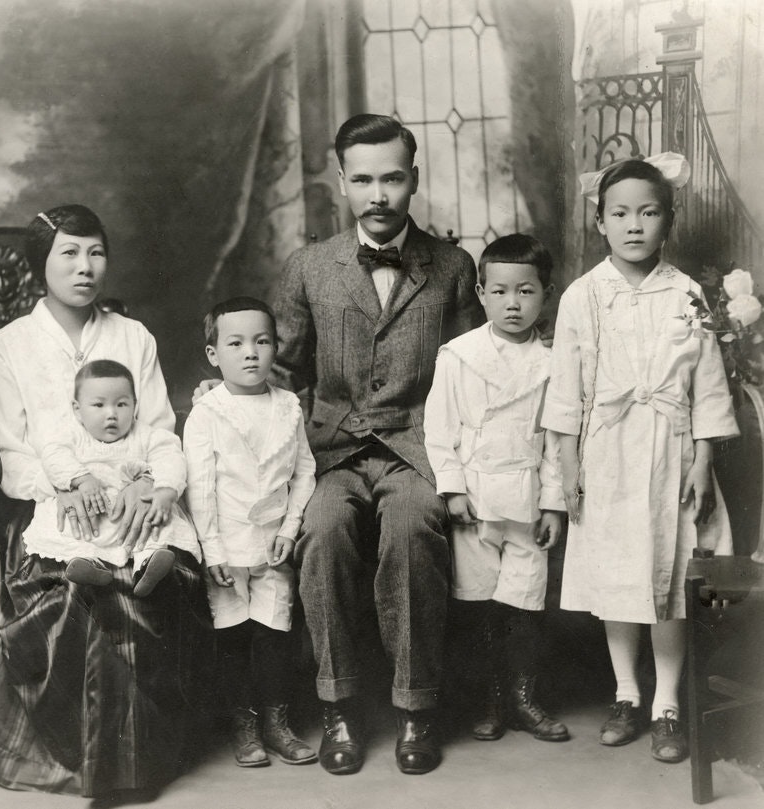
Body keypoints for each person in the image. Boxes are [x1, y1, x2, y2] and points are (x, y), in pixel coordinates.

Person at [272, 113, 483, 775]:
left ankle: (415, 706)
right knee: (324, 529)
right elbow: (282, 373)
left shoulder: (450, 266)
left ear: (412, 178)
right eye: (362, 179)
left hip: (417, 445)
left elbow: (473, 366)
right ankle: (337, 704)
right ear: (341, 182)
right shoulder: (307, 267)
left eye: (391, 177)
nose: (378, 194)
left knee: (413, 527)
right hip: (332, 447)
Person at [0, 204, 212, 803]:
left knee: (159, 580)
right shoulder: (11, 345)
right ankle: (90, 763)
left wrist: (150, 486)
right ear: (41, 264)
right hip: (52, 509)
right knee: (77, 593)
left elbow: (160, 427)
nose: (85, 267)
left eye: (96, 253)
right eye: (69, 253)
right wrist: (65, 488)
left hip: (137, 501)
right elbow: (11, 449)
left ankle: (139, 761)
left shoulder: (132, 336)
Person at [542, 154, 738, 764]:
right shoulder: (584, 296)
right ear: (600, 223)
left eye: (648, 213)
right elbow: (566, 388)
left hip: (673, 453)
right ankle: (627, 693)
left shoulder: (686, 293)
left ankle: (668, 704)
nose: (634, 226)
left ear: (668, 221)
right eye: (620, 213)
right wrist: (569, 468)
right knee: (620, 576)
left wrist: (703, 460)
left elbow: (708, 384)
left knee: (672, 579)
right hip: (609, 456)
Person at [423, 233, 569, 744]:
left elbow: (556, 444)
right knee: (481, 604)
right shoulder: (459, 356)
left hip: (527, 499)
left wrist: (554, 504)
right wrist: (453, 488)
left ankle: (524, 698)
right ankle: (486, 700)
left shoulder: (554, 365)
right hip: (477, 501)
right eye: (501, 291)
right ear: (481, 293)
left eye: (526, 292)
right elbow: (439, 430)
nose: (513, 303)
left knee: (525, 603)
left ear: (546, 295)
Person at [184, 297, 317, 769]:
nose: (250, 353)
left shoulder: (288, 407)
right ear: (214, 354)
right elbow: (200, 488)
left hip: (273, 545)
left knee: (276, 632)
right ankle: (244, 725)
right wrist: (212, 549)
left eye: (262, 341)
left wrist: (291, 526)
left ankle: (278, 724)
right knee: (234, 637)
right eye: (235, 343)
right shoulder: (207, 413)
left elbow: (304, 472)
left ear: (276, 348)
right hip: (227, 547)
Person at [23, 359, 202, 596]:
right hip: (91, 510)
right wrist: (81, 478)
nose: (111, 414)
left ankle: (149, 561)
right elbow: (53, 456)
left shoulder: (146, 435)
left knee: (158, 521)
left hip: (133, 512)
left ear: (135, 405)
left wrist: (166, 489)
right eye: (98, 405)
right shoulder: (71, 435)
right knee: (71, 528)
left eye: (121, 404)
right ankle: (87, 563)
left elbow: (170, 456)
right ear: (78, 409)